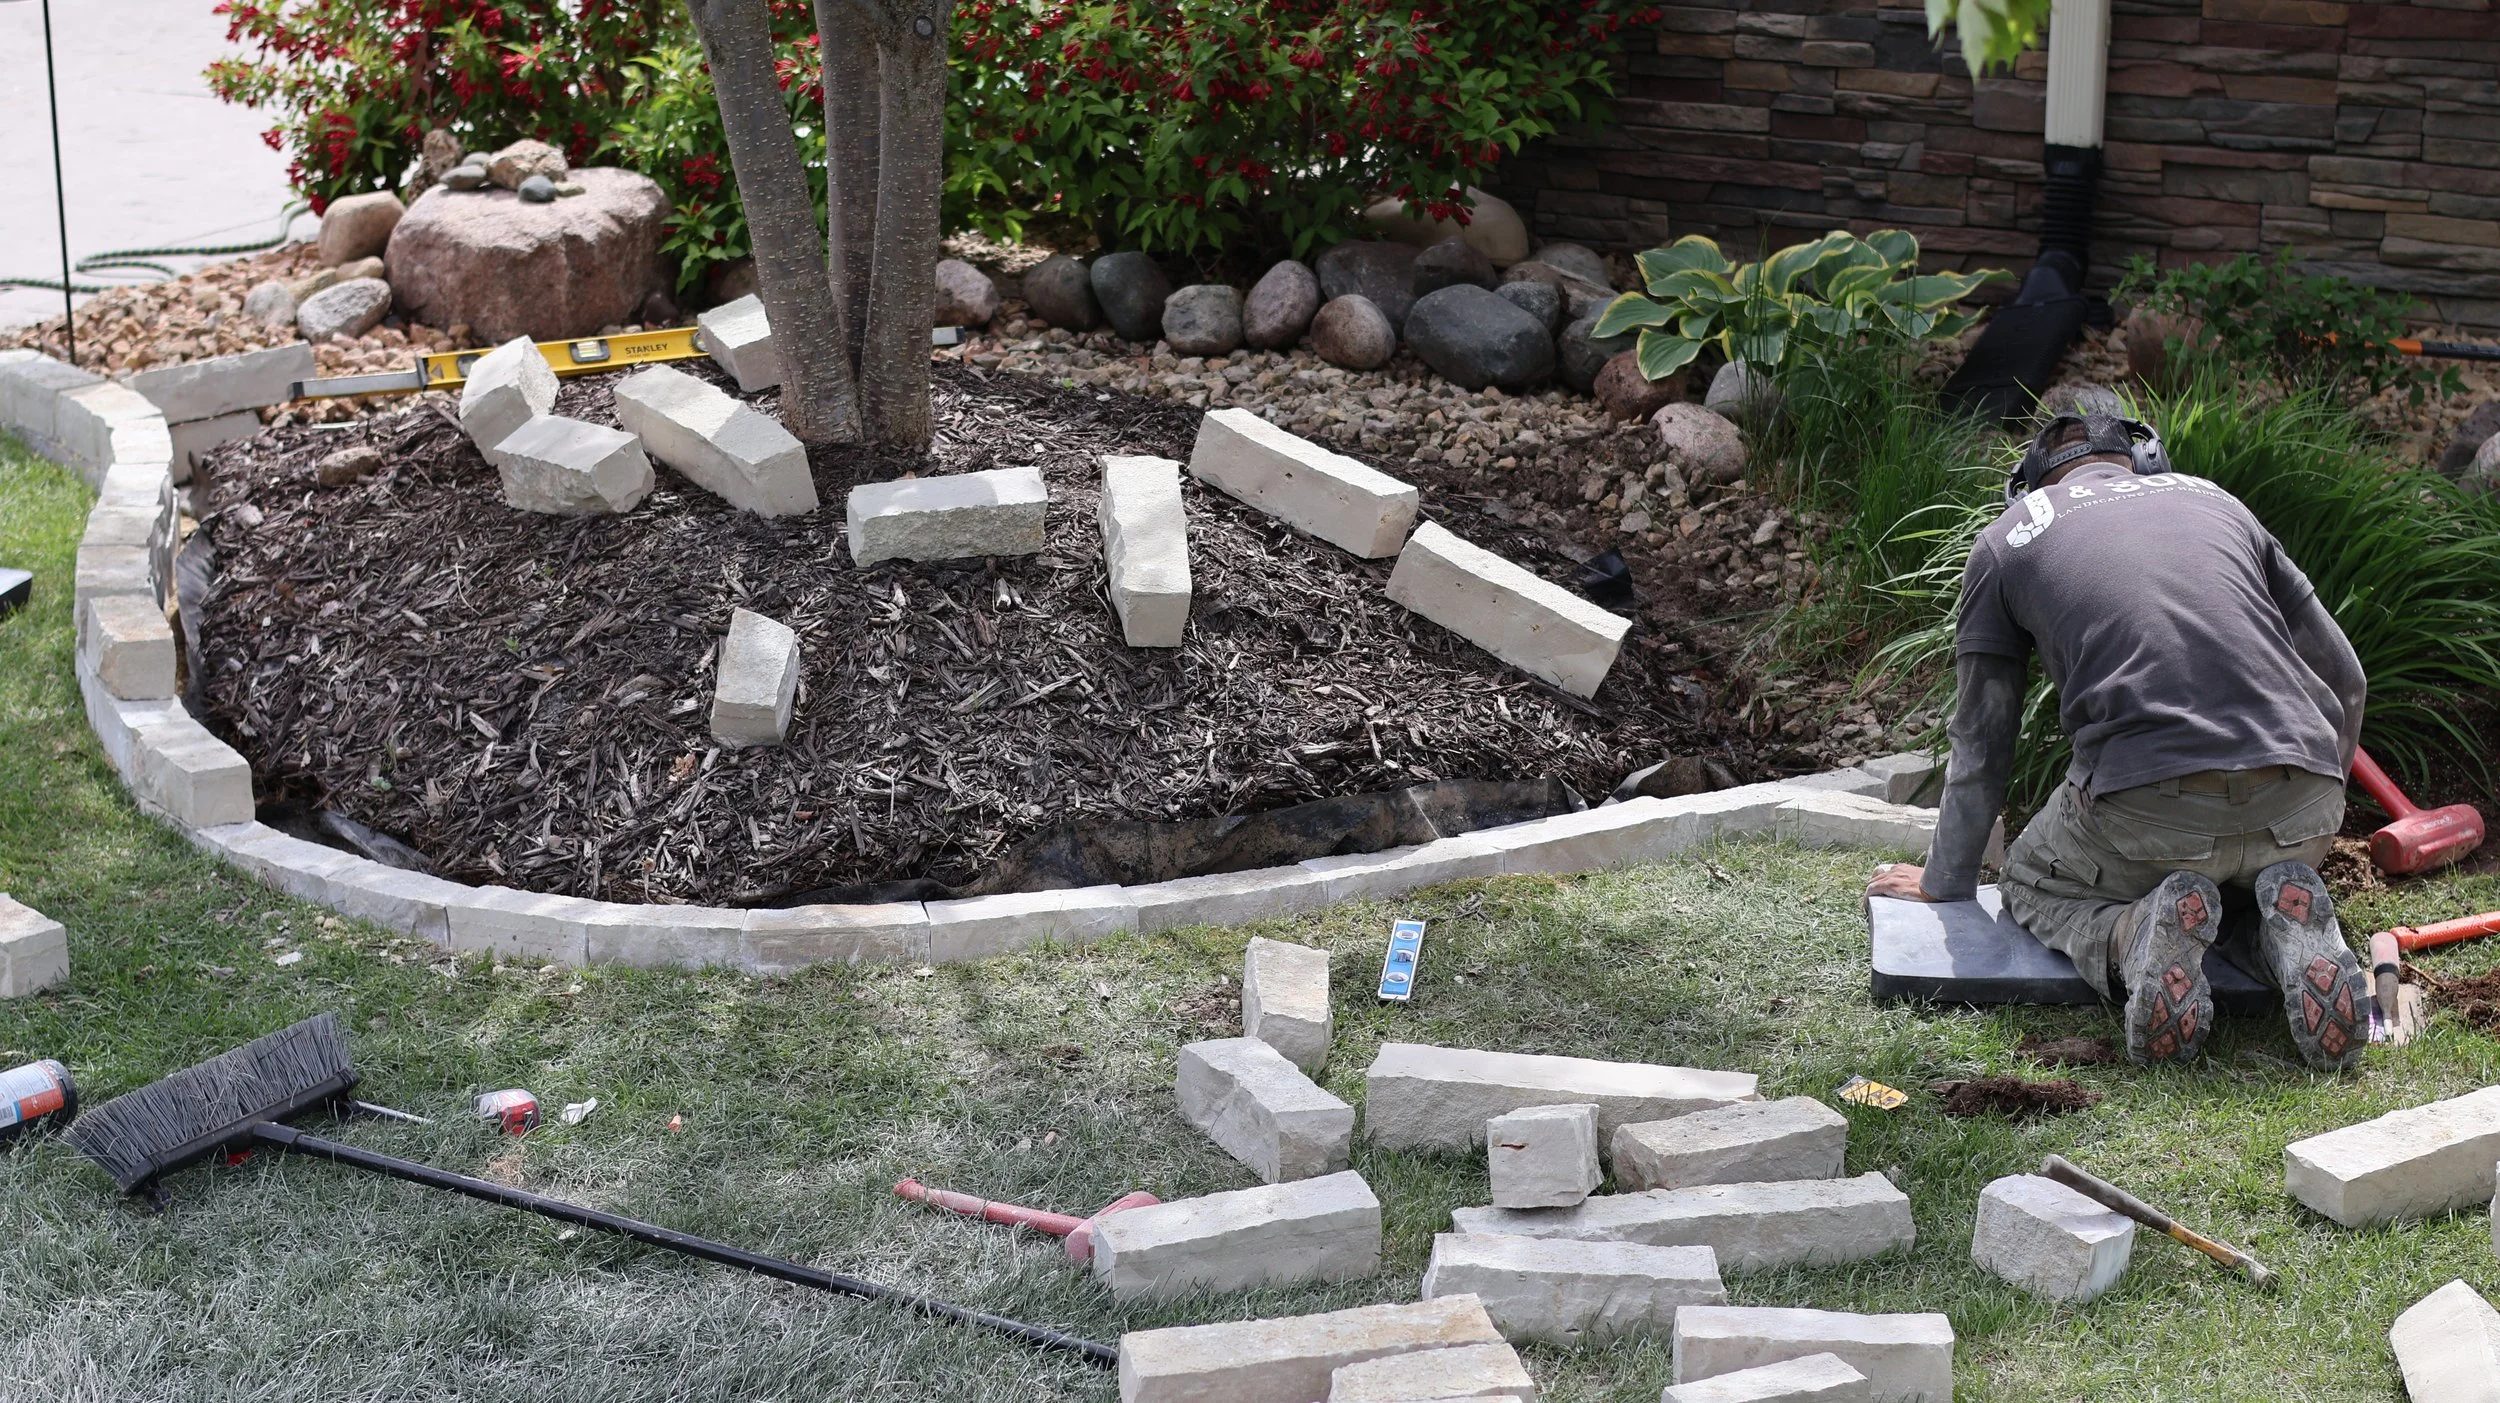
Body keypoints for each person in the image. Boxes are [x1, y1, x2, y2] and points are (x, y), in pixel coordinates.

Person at [1865, 411, 2372, 1069]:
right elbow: (2347, 679)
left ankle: (2135, 935)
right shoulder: (2218, 501)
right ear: (2145, 460)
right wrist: (2317, 810)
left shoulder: (2008, 538)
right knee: (2242, 873)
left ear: (2029, 487)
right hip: (2303, 799)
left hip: (2150, 809)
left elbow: (1984, 741)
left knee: (2029, 875)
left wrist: (1945, 883)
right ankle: (2288, 942)